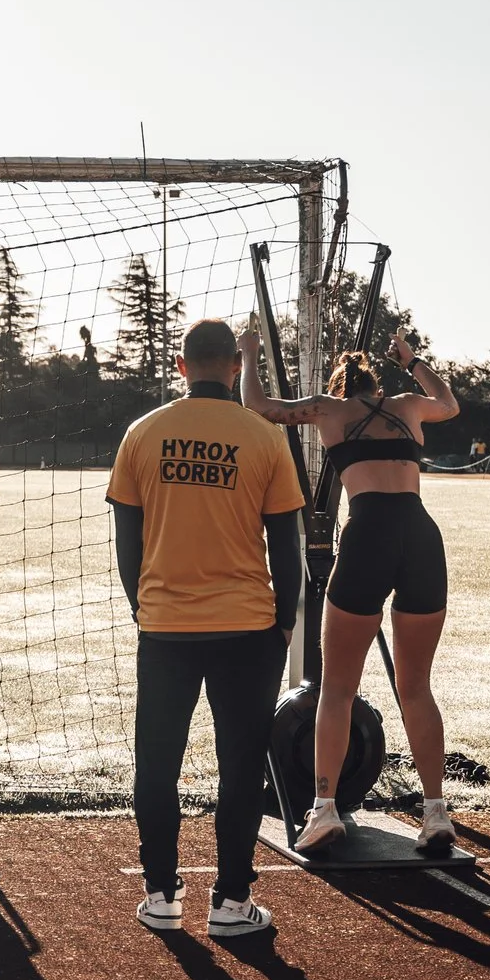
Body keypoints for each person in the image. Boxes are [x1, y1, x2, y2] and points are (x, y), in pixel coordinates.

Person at [107, 318, 303, 936]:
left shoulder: (142, 433)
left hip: (166, 628)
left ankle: (162, 895)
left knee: (156, 763)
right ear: (235, 368)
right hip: (249, 628)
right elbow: (287, 547)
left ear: (182, 365)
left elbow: (126, 543)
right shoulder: (264, 436)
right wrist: (285, 624)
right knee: (241, 765)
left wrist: (147, 608)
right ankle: (232, 903)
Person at [241, 328, 461, 854]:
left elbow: (258, 405)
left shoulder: (327, 410)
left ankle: (323, 811)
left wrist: (249, 355)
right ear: (375, 382)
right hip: (421, 537)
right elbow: (449, 405)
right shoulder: (408, 404)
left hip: (367, 536)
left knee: (337, 689)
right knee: (416, 688)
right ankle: (436, 815)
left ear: (341, 387)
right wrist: (413, 360)